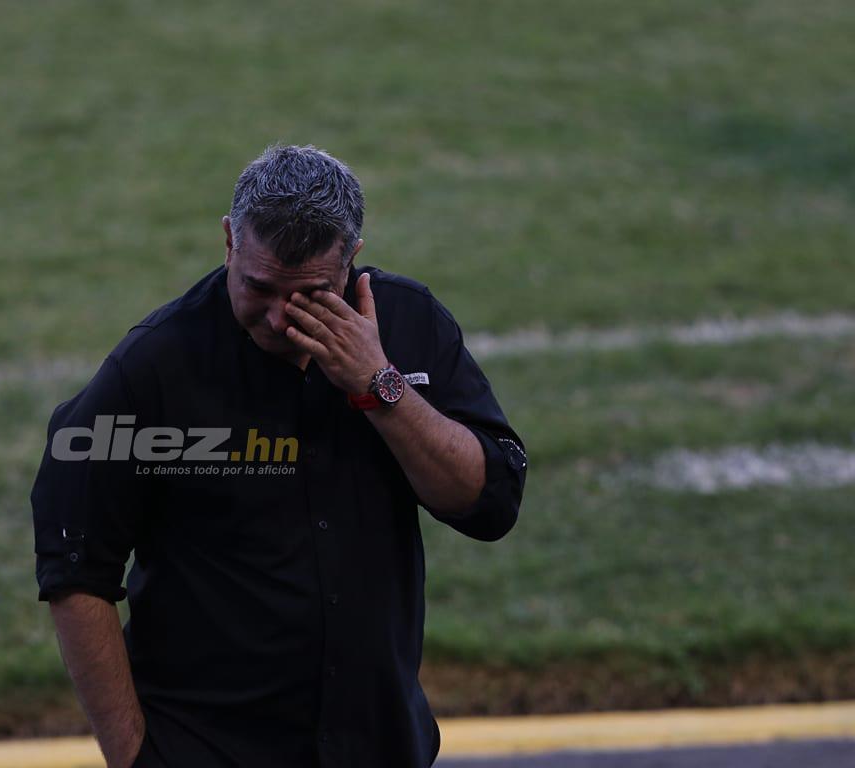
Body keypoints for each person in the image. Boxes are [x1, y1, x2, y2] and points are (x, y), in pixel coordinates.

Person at [31, 144, 528, 768]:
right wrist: (134, 757)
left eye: (309, 295)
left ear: (352, 261)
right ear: (229, 243)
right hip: (209, 750)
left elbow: (489, 504)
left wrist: (379, 386)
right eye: (259, 287)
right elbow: (74, 565)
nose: (276, 317)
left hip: (378, 746)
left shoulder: (410, 324)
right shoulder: (154, 367)